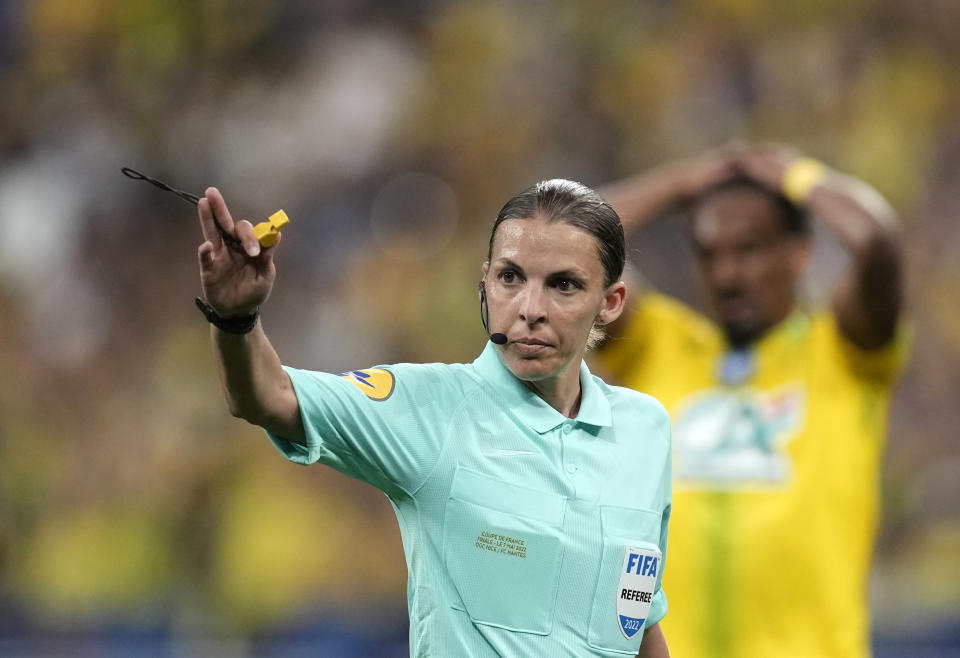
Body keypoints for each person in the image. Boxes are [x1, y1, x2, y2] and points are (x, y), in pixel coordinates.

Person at [195, 178, 673, 657]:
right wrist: (236, 320)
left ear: (610, 304)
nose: (530, 309)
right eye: (510, 278)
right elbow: (269, 396)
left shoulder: (645, 430)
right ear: (485, 282)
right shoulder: (429, 408)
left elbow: (638, 620)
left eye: (563, 285)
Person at [595, 144, 907, 658]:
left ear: (800, 253)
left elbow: (877, 243)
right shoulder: (662, 346)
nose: (727, 275)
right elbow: (569, 242)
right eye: (710, 255)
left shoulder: (842, 355)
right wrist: (678, 184)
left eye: (749, 249)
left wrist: (800, 176)